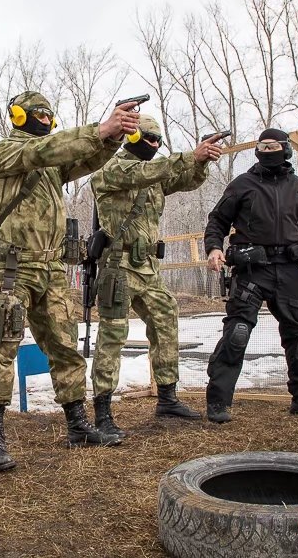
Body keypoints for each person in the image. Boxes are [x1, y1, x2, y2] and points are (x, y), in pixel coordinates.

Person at [0, 91, 140, 472]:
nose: (47, 120)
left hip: (51, 270)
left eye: (51, 115)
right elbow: (45, 150)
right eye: (39, 114)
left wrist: (113, 137)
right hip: (12, 271)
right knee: (3, 349)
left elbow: (85, 159)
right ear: (18, 116)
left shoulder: (52, 165)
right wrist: (100, 127)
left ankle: (77, 424)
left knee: (65, 347)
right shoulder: (7, 152)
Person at [88, 116, 223, 437]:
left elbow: (185, 179)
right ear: (132, 137)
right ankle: (103, 411)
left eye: (160, 141)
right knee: (113, 337)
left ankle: (167, 397)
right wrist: (191, 154)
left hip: (147, 266)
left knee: (166, 319)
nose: (156, 146)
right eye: (151, 139)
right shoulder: (113, 169)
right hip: (117, 267)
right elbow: (151, 170)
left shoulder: (152, 173)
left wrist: (200, 162)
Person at [203, 128, 298, 423]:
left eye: (273, 145)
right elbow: (217, 221)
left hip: (290, 269)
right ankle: (218, 402)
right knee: (237, 334)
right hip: (251, 268)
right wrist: (214, 248)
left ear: (286, 149)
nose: (267, 150)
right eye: (262, 146)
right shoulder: (242, 185)